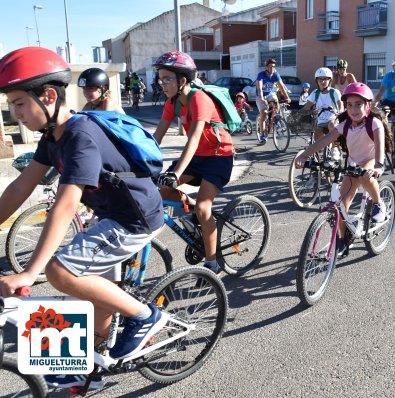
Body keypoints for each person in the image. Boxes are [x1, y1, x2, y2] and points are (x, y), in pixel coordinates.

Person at [0, 47, 166, 389]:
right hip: (110, 216)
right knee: (95, 295)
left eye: (18, 103)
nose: (14, 113)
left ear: (47, 96)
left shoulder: (80, 137)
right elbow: (21, 185)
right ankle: (90, 372)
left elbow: (65, 205)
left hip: (133, 220)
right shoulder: (53, 136)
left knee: (60, 271)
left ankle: (145, 316)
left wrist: (31, 271)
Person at [152, 50, 234, 274]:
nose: (162, 83)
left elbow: (195, 137)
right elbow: (156, 136)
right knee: (162, 190)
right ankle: (194, 214)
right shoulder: (173, 102)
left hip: (219, 156)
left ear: (182, 80)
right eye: (160, 78)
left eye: (167, 78)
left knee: (203, 206)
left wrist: (176, 173)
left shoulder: (199, 99)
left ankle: (212, 263)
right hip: (198, 157)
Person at [295, 82, 388, 255]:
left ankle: (378, 203)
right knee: (340, 208)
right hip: (352, 165)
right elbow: (324, 140)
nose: (353, 109)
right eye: (349, 105)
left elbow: (380, 147)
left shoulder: (374, 123)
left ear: (368, 105)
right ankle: (345, 239)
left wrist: (379, 166)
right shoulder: (345, 125)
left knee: (367, 177)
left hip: (369, 161)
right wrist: (304, 155)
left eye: (358, 104)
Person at [301, 67, 343, 142]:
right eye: (320, 79)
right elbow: (307, 106)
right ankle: (324, 150)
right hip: (320, 120)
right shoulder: (315, 93)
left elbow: (340, 104)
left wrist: (340, 111)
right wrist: (298, 115)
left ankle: (334, 147)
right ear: (316, 80)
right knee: (315, 138)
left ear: (329, 80)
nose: (323, 81)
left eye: (325, 79)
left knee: (332, 126)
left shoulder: (334, 92)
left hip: (333, 118)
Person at [255, 58, 290, 143]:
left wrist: (287, 97)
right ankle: (263, 134)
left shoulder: (275, 74)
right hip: (261, 95)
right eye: (270, 67)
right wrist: (263, 99)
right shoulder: (261, 74)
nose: (272, 68)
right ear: (266, 67)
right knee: (263, 113)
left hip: (270, 94)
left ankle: (275, 118)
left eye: (273, 67)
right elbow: (259, 88)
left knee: (276, 101)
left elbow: (281, 86)